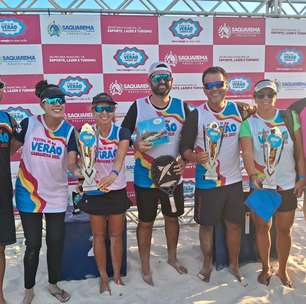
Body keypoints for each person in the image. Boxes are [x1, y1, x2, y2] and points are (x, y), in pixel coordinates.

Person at [13, 80, 80, 303]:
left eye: (61, 100)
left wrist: (83, 172)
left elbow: (71, 164)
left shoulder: (70, 131)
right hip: (28, 193)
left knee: (56, 241)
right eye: (52, 100)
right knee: (33, 244)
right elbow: (10, 148)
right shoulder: (28, 123)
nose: (57, 104)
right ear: (42, 104)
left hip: (56, 195)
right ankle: (29, 288)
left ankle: (52, 284)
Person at [121, 62, 189, 285]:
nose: (162, 81)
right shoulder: (138, 106)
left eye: (166, 77)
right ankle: (146, 266)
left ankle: (172, 258)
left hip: (172, 177)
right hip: (145, 176)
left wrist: (185, 160)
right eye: (157, 77)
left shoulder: (181, 106)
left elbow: (191, 139)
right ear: (149, 81)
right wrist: (135, 143)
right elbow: (123, 133)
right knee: (146, 222)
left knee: (172, 218)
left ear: (172, 80)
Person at [179, 66, 245, 282]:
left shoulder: (239, 110)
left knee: (234, 225)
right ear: (204, 89)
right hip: (207, 183)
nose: (214, 89)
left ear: (226, 85)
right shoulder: (196, 114)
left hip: (234, 182)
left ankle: (234, 265)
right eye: (210, 85)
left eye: (219, 84)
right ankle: (207, 264)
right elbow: (184, 149)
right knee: (206, 226)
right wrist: (195, 158)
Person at [240, 79, 305, 287]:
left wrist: (302, 178)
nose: (266, 99)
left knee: (284, 230)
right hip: (263, 186)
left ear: (276, 96)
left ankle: (283, 270)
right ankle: (266, 268)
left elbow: (299, 152)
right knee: (262, 228)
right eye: (261, 95)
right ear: (255, 98)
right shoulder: (248, 124)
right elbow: (247, 154)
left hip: (287, 184)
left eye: (270, 94)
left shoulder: (289, 117)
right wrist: (252, 174)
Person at [77, 93, 130, 294]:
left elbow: (120, 158)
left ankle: (116, 274)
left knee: (116, 235)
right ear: (92, 112)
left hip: (116, 190)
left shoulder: (122, 132)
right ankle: (103, 276)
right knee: (98, 236)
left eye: (109, 108)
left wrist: (113, 174)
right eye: (99, 108)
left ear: (114, 111)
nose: (104, 112)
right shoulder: (86, 134)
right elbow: (84, 163)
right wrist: (84, 176)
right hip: (95, 191)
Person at [0, 80, 18, 304]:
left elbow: (13, 148)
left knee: (1, 246)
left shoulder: (7, 119)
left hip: (2, 190)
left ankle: (0, 296)